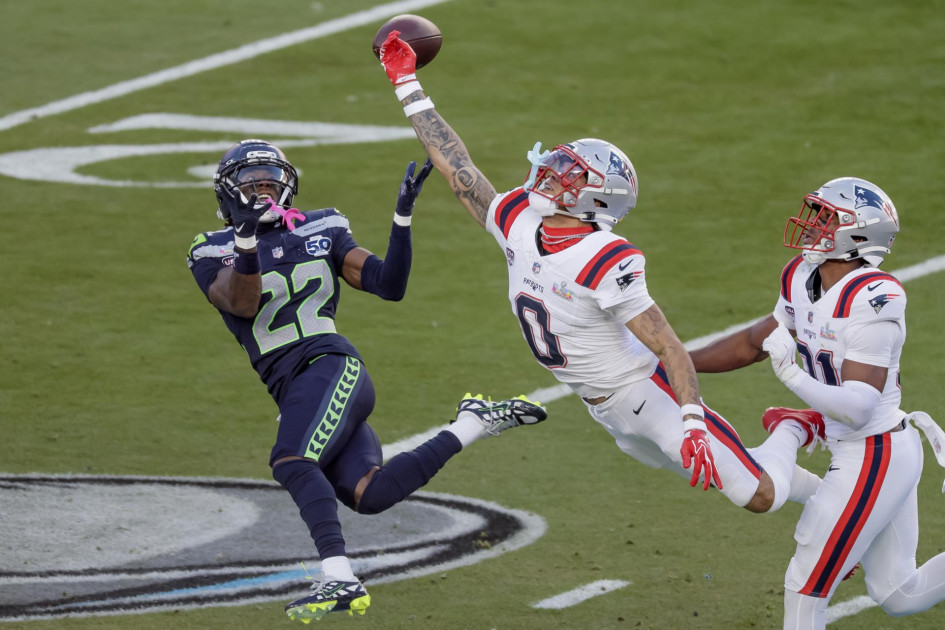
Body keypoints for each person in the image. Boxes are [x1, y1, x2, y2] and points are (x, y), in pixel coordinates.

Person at [376, 34, 823, 516]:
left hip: (647, 395)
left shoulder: (605, 258)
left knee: (757, 496)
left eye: (570, 173)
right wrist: (406, 84)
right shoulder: (517, 218)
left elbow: (669, 347)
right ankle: (833, 500)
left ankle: (791, 429)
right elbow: (457, 165)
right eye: (559, 163)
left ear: (597, 199)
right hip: (604, 410)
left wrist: (692, 422)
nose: (551, 173)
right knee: (743, 472)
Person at [186, 139, 548, 623]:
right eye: (252, 186)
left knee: (292, 460)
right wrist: (247, 241)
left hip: (329, 364)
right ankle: (473, 423)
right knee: (370, 493)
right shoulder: (210, 248)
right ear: (228, 195)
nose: (264, 193)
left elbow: (388, 285)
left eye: (271, 184)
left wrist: (402, 218)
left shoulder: (321, 226)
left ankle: (338, 576)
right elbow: (242, 302)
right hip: (294, 386)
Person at [689, 176, 945, 629]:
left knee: (805, 588)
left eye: (827, 219)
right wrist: (676, 363)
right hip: (864, 445)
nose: (811, 225)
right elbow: (753, 342)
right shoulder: (802, 276)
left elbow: (859, 408)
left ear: (858, 237)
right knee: (899, 593)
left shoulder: (874, 298)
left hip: (875, 451)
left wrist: (791, 376)